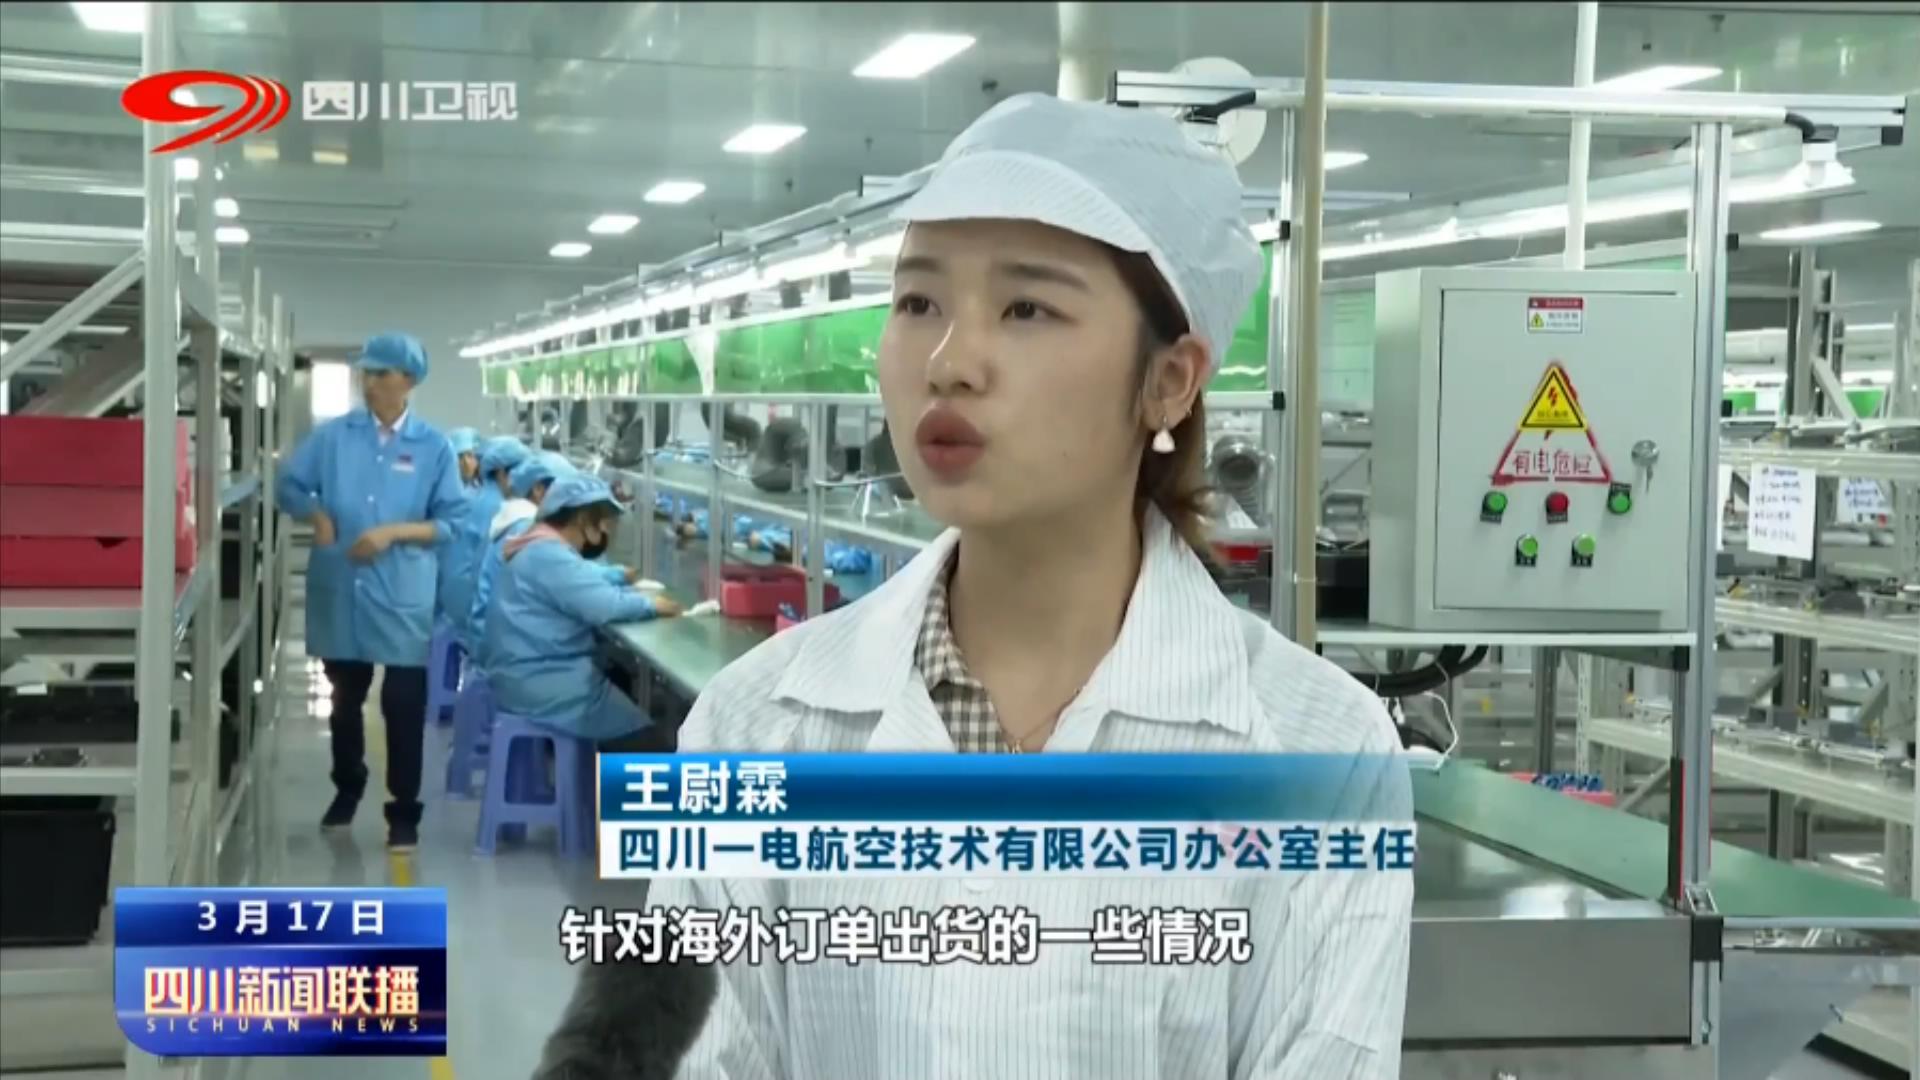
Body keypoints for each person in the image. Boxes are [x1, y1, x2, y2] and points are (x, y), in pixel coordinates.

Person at [639, 94, 1414, 1078]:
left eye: (1026, 308)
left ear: (1170, 381)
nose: (949, 363)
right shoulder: (754, 726)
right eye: (918, 303)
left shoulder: (1323, 756)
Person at [276, 332, 466, 852]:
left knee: (402, 704)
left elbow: (451, 521)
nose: (369, 382)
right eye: (366, 372)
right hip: (342, 586)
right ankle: (348, 785)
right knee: (344, 700)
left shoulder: (433, 447)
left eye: (380, 373)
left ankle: (403, 812)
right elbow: (287, 483)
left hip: (401, 590)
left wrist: (392, 533)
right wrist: (315, 514)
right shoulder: (335, 437)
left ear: (408, 380)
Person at [482, 474, 683, 749]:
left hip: (522, 672)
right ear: (582, 519)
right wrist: (650, 605)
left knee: (617, 676)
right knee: (650, 745)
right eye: (602, 520)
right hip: (545, 683)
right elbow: (603, 605)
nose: (606, 529)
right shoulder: (549, 555)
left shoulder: (539, 546)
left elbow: (577, 579)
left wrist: (615, 577)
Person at [441, 435, 529, 650]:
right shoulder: (499, 508)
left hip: (455, 613)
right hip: (471, 617)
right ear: (501, 473)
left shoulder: (477, 499)